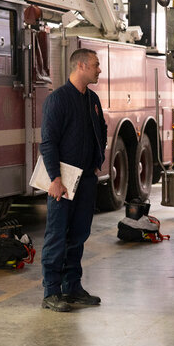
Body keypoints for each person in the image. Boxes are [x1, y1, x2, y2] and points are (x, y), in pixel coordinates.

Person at [39, 48, 108, 312]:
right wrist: (54, 178)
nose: (99, 69)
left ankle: (72, 287)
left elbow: (100, 130)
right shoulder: (58, 100)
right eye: (95, 65)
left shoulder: (92, 99)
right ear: (80, 66)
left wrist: (97, 160)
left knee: (79, 233)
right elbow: (48, 143)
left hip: (87, 178)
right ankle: (51, 291)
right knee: (57, 233)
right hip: (64, 179)